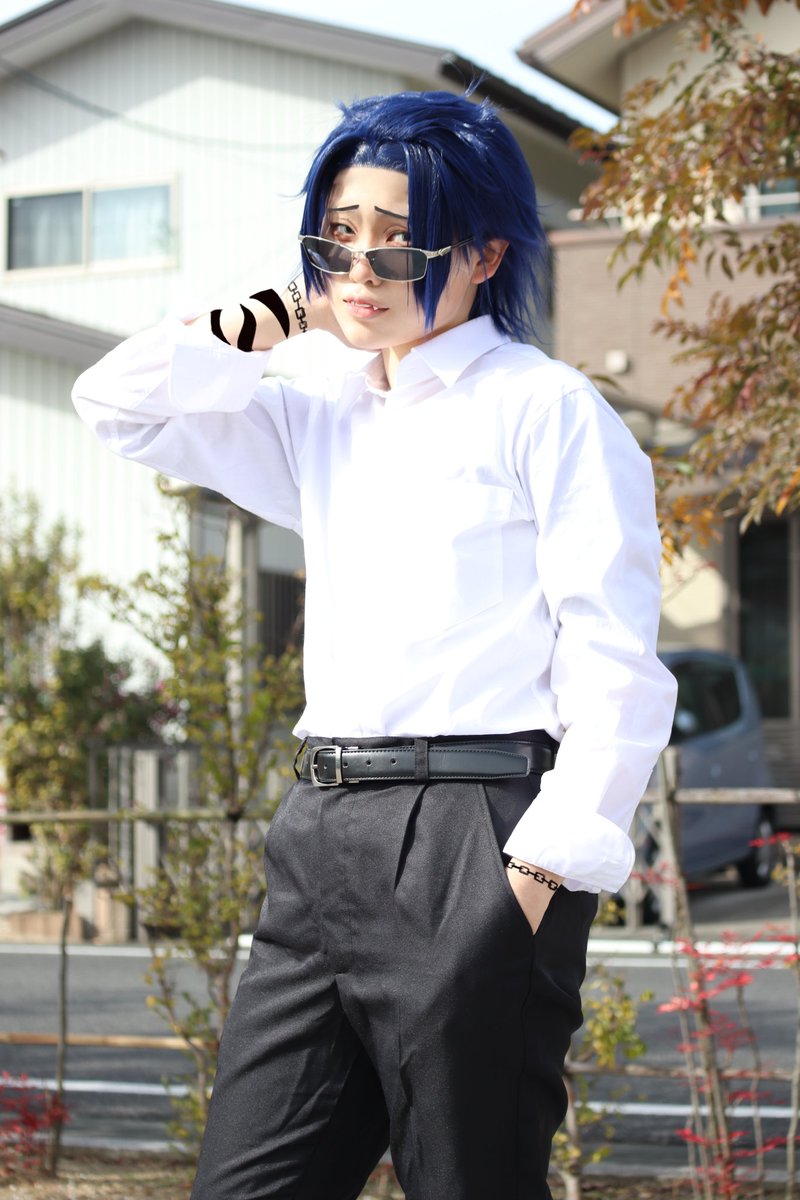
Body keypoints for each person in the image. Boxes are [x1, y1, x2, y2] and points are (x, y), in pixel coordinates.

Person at [73, 89, 677, 1200]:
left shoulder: (545, 408)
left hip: (474, 826)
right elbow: (119, 406)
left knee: (468, 1179)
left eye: (398, 246)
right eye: (336, 240)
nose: (360, 271)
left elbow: (615, 659)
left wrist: (533, 880)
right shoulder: (322, 414)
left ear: (484, 253)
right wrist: (274, 315)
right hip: (320, 832)